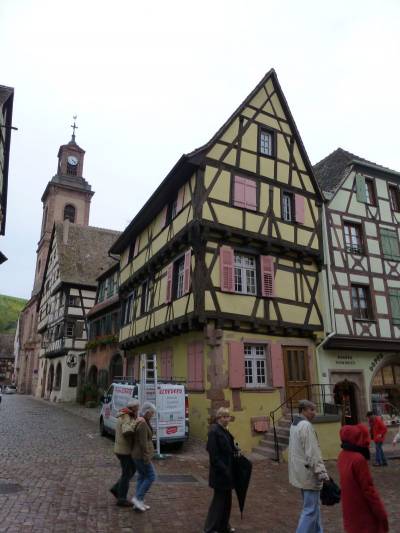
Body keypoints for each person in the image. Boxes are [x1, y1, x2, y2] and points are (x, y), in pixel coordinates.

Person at [337, 424, 389, 533]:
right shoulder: (358, 459)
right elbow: (368, 489)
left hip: (350, 508)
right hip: (362, 510)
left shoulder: (342, 455)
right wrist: (381, 513)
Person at [288, 399, 329, 533]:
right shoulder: (305, 425)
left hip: (300, 471)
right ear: (303, 410)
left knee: (314, 507)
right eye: (311, 410)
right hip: (309, 473)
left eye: (315, 410)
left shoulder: (295, 424)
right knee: (310, 510)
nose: (314, 413)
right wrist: (321, 472)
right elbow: (312, 453)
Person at [204, 407, 236, 533]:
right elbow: (214, 455)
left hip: (228, 471)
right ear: (218, 418)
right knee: (218, 501)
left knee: (227, 501)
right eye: (224, 417)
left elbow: (229, 447)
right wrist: (224, 469)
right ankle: (210, 528)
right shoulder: (214, 432)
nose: (227, 419)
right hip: (220, 473)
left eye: (228, 416)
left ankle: (224, 526)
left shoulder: (224, 430)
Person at [110, 398, 140, 507]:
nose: (138, 409)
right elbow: (127, 431)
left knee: (131, 470)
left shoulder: (127, 415)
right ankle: (121, 498)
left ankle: (116, 489)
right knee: (127, 473)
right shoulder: (127, 416)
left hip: (123, 449)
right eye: (137, 407)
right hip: (124, 450)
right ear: (133, 408)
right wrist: (136, 424)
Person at [131, 401, 157, 512]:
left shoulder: (144, 421)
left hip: (138, 455)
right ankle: (137, 498)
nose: (153, 415)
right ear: (147, 412)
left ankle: (139, 502)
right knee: (151, 476)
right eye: (152, 413)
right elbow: (143, 443)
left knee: (142, 476)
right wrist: (146, 457)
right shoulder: (142, 423)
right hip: (141, 456)